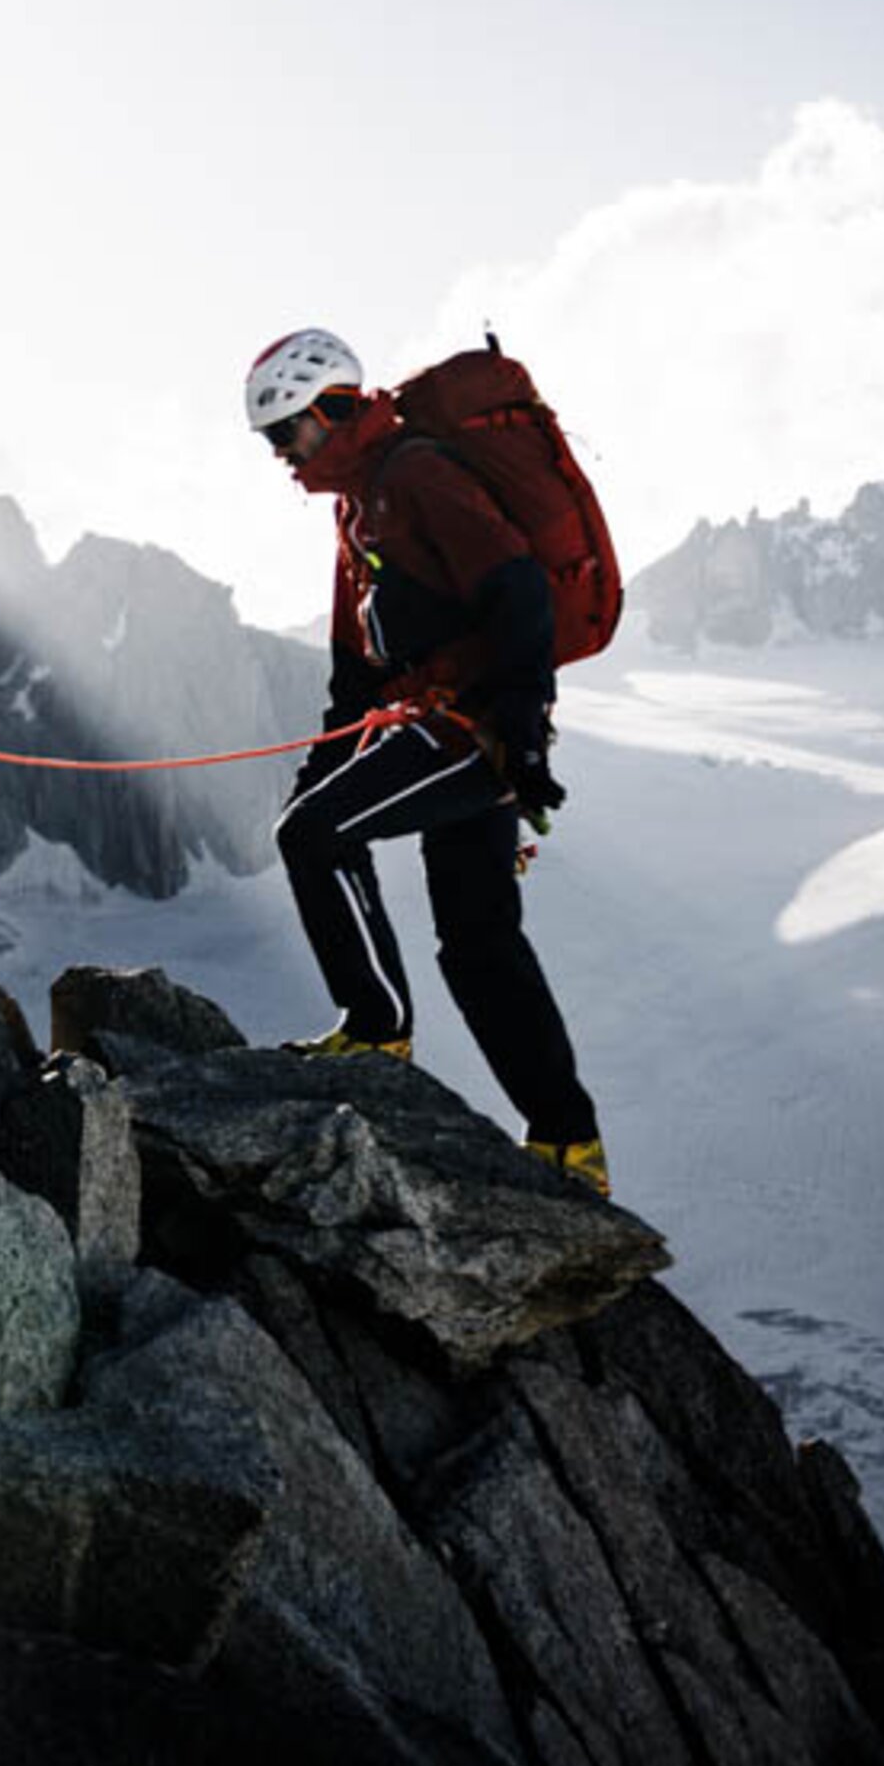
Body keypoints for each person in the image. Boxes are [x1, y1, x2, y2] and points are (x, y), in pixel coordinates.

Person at [243, 327, 609, 1195]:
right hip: (463, 724)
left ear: (332, 411)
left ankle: (376, 1030)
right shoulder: (360, 502)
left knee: (314, 840)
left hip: (473, 729)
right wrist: (324, 767)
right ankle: (569, 1145)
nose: (280, 454)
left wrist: (520, 727)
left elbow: (515, 584)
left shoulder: (412, 476)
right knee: (479, 941)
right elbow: (355, 666)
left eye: (286, 432)